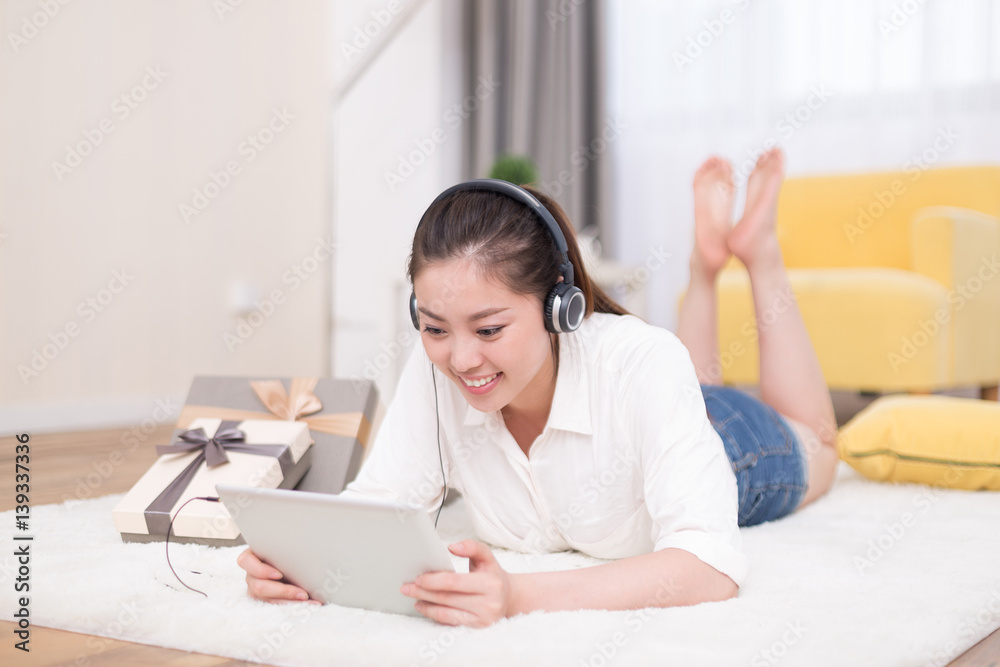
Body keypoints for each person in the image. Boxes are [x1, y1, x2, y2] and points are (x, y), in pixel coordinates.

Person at [237, 147, 840, 628]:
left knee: (818, 446)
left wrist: (518, 595)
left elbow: (710, 567)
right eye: (434, 328)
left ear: (560, 306)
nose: (461, 358)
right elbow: (378, 505)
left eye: (490, 328)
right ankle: (705, 265)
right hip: (662, 409)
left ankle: (757, 252)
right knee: (689, 381)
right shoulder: (438, 369)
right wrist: (297, 560)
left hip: (729, 445)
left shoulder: (643, 362)